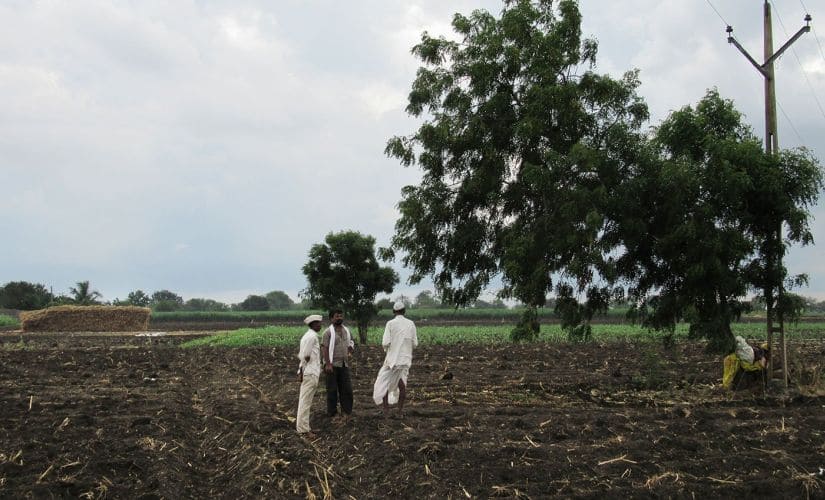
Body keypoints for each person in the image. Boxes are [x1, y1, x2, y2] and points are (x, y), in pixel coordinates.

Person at [372, 301, 418, 418]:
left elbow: (385, 342)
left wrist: (389, 351)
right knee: (402, 385)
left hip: (392, 361)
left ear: (393, 312)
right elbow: (415, 343)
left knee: (383, 383)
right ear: (404, 311)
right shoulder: (411, 323)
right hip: (406, 360)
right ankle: (399, 412)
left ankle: (386, 411)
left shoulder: (390, 324)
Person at [321, 308, 354, 421]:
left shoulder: (347, 331)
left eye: (341, 316)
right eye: (337, 316)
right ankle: (332, 413)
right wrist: (328, 364)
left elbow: (351, 342)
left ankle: (347, 412)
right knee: (332, 390)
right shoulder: (328, 332)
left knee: (347, 389)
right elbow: (324, 348)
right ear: (331, 318)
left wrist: (350, 350)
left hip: (344, 364)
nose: (339, 318)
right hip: (332, 365)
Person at [296, 314, 323, 438]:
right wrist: (302, 371)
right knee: (305, 402)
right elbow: (306, 355)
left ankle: (305, 427)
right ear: (312, 324)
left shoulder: (308, 335)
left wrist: (301, 370)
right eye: (317, 323)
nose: (320, 325)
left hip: (308, 371)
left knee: (305, 401)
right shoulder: (312, 337)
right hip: (310, 372)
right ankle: (303, 430)